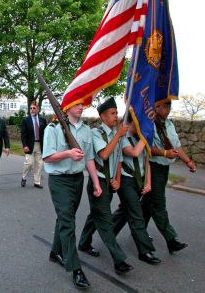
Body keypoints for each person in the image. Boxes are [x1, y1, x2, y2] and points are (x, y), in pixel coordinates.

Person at [42, 100, 101, 289]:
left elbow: (89, 157)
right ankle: (76, 269)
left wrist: (96, 182)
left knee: (65, 218)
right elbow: (47, 156)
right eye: (76, 103)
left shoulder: (86, 129)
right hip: (60, 181)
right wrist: (68, 153)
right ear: (66, 107)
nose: (81, 106)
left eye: (82, 103)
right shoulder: (53, 128)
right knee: (68, 223)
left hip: (78, 179)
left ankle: (55, 252)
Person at [78, 97, 133, 275]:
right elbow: (104, 155)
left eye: (117, 113)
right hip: (98, 182)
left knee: (96, 214)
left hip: (110, 182)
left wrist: (117, 179)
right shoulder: (97, 133)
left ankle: (84, 243)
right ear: (102, 116)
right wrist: (118, 135)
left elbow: (119, 159)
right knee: (105, 220)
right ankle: (119, 260)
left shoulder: (117, 133)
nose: (116, 117)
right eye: (112, 113)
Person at [142, 100, 196, 253]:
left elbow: (177, 146)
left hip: (164, 168)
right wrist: (164, 153)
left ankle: (139, 232)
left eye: (169, 107)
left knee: (147, 204)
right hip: (153, 167)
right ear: (156, 106)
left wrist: (188, 162)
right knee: (158, 204)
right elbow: (146, 147)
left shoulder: (169, 124)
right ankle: (171, 240)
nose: (167, 110)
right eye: (164, 106)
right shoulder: (150, 124)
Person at [112, 113, 161, 265]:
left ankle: (107, 234)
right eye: (138, 123)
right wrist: (146, 135)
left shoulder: (141, 139)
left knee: (124, 212)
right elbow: (134, 152)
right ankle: (145, 251)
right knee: (136, 213)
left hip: (139, 181)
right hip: (125, 180)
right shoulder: (122, 138)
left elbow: (147, 160)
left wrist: (148, 182)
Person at [20, 101, 47, 188]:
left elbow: (45, 133)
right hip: (29, 145)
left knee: (39, 164)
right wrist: (25, 145)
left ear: (38, 109)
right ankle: (24, 177)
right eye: (31, 108)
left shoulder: (43, 120)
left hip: (39, 145)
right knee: (29, 163)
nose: (32, 110)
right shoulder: (25, 120)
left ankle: (37, 182)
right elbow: (23, 134)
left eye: (34, 108)